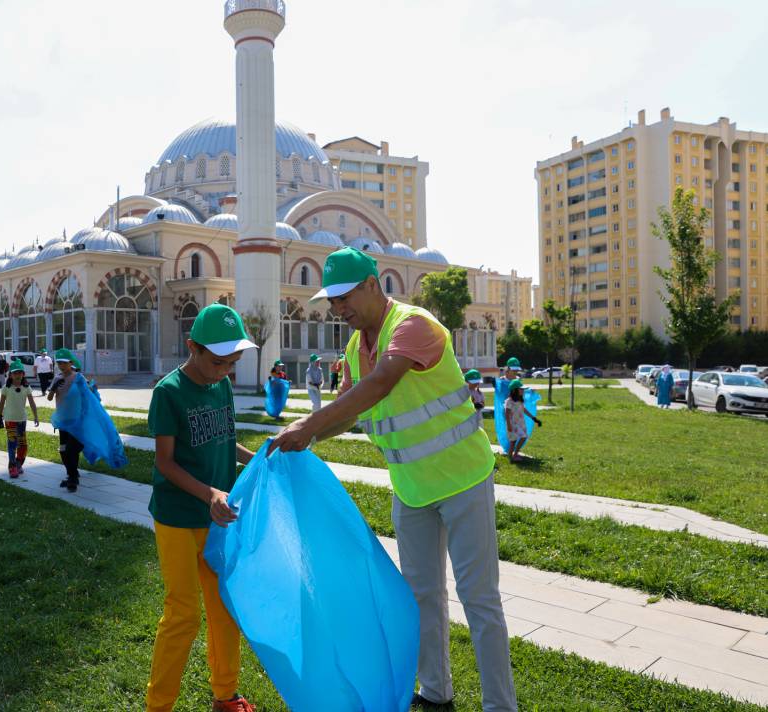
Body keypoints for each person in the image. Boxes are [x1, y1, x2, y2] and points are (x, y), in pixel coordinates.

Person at [269, 247, 517, 712]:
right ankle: (435, 691)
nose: (338, 309)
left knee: (479, 599)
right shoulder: (353, 347)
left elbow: (380, 384)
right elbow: (350, 409)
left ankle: (500, 706)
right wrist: (308, 434)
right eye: (332, 301)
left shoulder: (412, 326)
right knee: (421, 595)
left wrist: (309, 425)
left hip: (463, 479)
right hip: (412, 489)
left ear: (371, 284)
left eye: (344, 298)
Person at [145, 303, 258, 712]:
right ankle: (158, 706)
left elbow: (226, 442)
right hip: (178, 519)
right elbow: (164, 463)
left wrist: (258, 456)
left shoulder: (221, 385)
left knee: (225, 609)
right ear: (193, 347)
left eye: (234, 362)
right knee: (184, 614)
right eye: (218, 361)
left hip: (218, 520)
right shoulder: (169, 393)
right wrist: (210, 493)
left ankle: (225, 695)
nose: (225, 370)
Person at [46, 349, 87, 492]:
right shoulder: (57, 378)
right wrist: (53, 388)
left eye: (64, 363)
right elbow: (50, 398)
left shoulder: (79, 378)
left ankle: (73, 479)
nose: (62, 365)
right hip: (63, 420)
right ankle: (72, 474)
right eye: (59, 363)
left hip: (76, 420)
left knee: (72, 449)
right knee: (63, 450)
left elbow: (88, 395)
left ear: (71, 363)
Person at [0, 360, 39, 478]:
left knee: (23, 445)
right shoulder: (6, 387)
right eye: (15, 373)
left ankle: (18, 463)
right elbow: (1, 403)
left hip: (22, 420)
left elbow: (32, 403)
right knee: (12, 444)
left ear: (23, 374)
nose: (18, 375)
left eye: (20, 373)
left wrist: (35, 416)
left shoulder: (26, 387)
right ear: (10, 375)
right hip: (10, 420)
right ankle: (12, 467)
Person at [505, 380, 541, 463]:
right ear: (514, 390)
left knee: (521, 438)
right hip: (513, 424)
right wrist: (509, 425)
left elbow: (524, 409)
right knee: (513, 441)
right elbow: (507, 414)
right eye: (521, 389)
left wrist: (533, 418)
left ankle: (514, 455)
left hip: (520, 423)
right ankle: (512, 457)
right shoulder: (509, 401)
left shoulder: (520, 400)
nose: (523, 391)